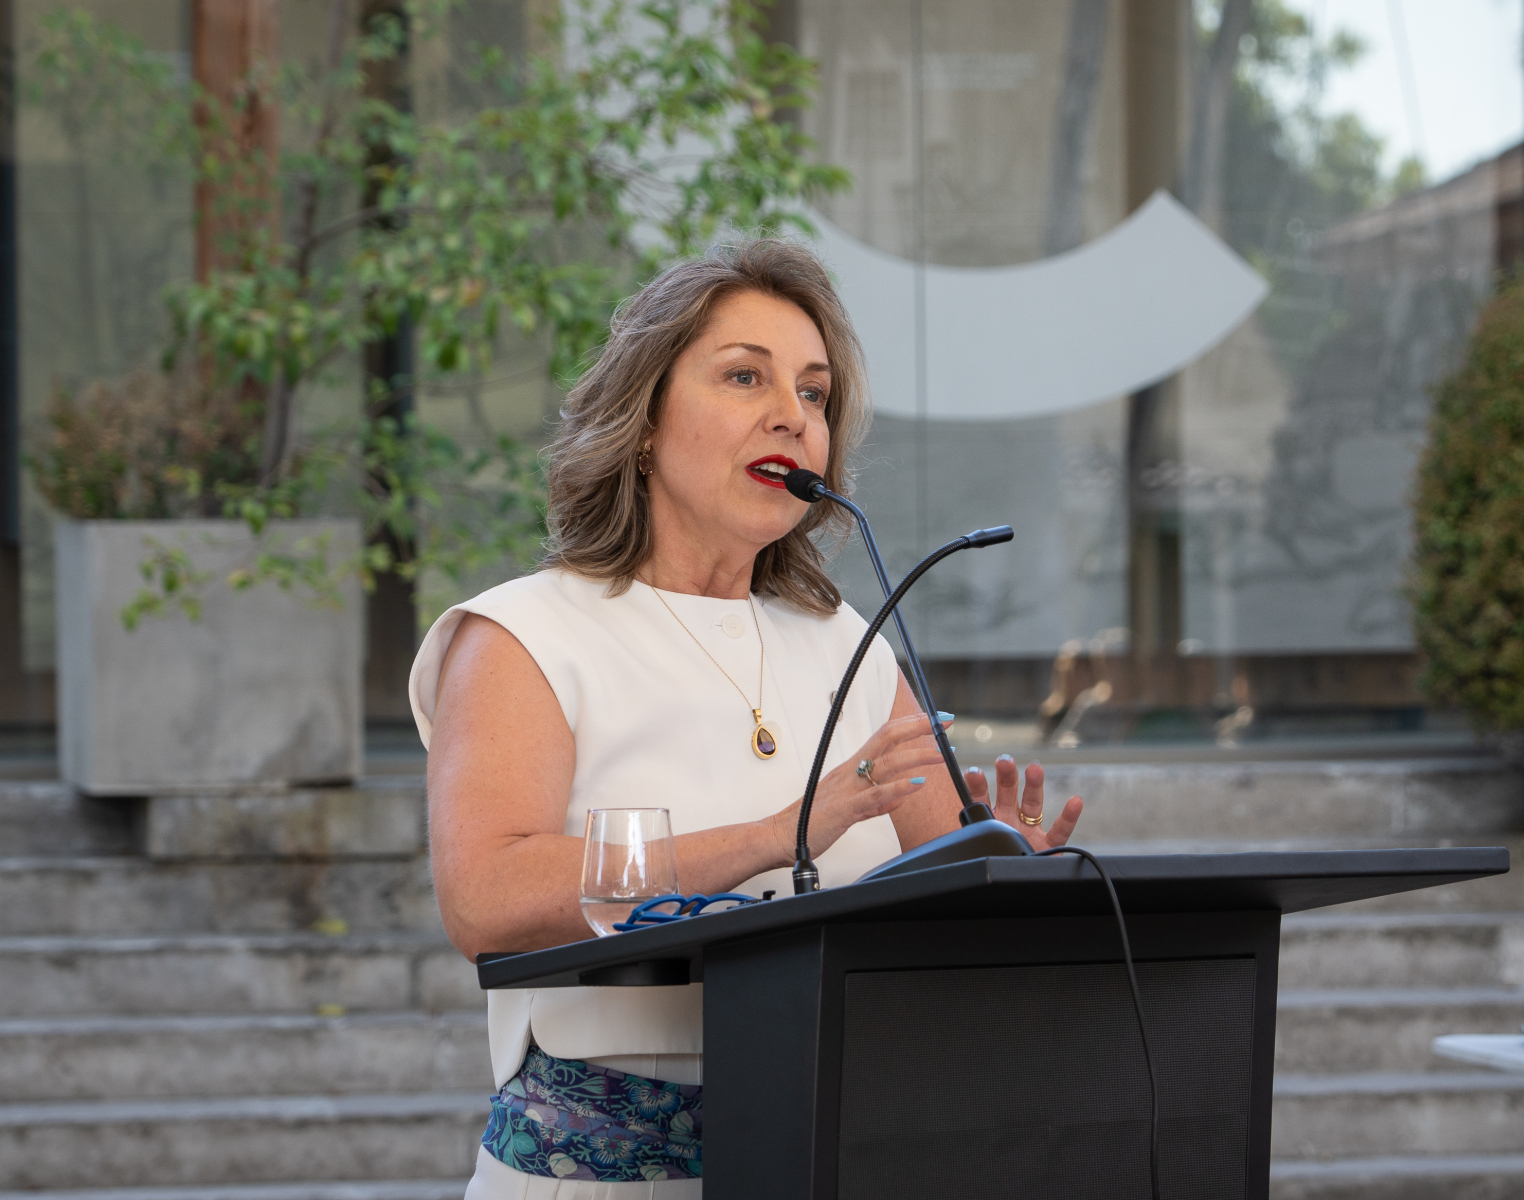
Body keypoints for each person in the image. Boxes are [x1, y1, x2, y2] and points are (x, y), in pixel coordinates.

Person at [410, 239, 1083, 1199]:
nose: (792, 416)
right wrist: (777, 836)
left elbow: (946, 897)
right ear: (645, 419)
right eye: (744, 377)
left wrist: (1009, 875)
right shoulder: (526, 633)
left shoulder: (850, 641)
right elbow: (484, 896)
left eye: (815, 394)